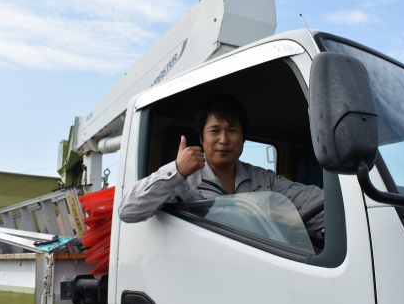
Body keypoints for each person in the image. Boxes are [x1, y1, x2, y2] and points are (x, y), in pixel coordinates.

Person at [118, 94, 324, 227]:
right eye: (214, 131)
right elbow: (128, 211)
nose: (223, 140)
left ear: (243, 138)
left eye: (232, 131)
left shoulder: (263, 178)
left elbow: (313, 201)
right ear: (201, 139)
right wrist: (177, 170)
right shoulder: (183, 181)